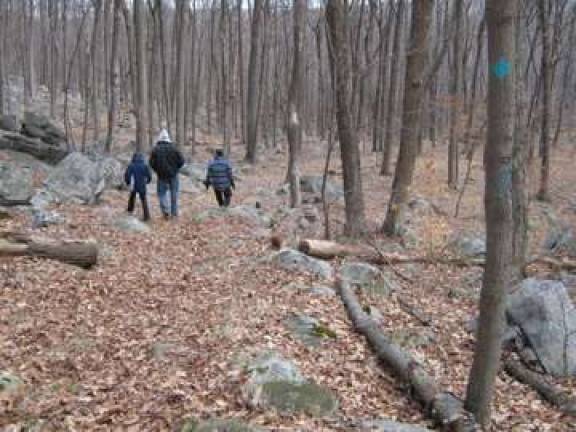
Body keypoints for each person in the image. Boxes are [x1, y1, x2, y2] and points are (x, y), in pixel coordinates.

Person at [149, 129, 184, 218]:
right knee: (174, 194)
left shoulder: (155, 149)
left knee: (161, 194)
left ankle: (165, 211)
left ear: (159, 138)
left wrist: (157, 170)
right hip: (173, 175)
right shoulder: (174, 148)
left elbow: (151, 163)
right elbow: (182, 161)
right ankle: (174, 214)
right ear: (168, 138)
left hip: (161, 176)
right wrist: (176, 169)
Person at [124, 152, 152, 221]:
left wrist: (128, 182)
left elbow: (127, 175)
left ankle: (130, 211)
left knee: (132, 197)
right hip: (142, 184)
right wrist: (148, 181)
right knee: (143, 200)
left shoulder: (131, 165)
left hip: (133, 185)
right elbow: (149, 175)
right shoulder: (145, 165)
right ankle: (146, 216)